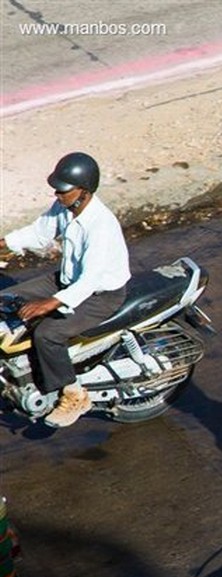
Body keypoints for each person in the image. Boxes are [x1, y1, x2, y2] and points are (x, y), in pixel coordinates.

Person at [0, 152, 130, 428]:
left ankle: (74, 394)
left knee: (47, 333)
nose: (57, 195)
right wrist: (3, 245)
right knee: (6, 301)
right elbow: (38, 233)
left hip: (100, 295)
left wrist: (50, 304)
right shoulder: (66, 207)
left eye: (62, 190)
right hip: (68, 280)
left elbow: (91, 280)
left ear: (83, 191)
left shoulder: (100, 226)